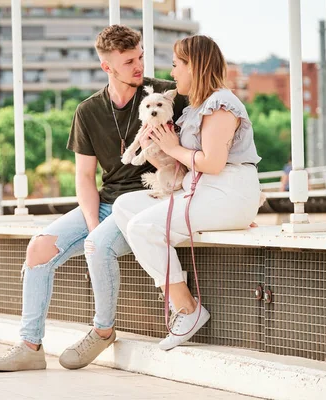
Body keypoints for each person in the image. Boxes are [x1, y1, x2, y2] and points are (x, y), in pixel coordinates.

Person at [0, 25, 188, 371]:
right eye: (128, 61)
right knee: (38, 248)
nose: (139, 66)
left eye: (140, 56)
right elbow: (84, 177)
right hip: (108, 202)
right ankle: (30, 345)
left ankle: (103, 330)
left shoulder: (166, 95)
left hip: (148, 203)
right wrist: (94, 223)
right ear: (106, 67)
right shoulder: (88, 111)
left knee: (99, 246)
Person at [113, 35, 262, 351]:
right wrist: (157, 148)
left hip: (226, 193)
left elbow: (213, 162)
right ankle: (173, 287)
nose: (173, 72)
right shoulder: (195, 108)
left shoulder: (221, 104)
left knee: (143, 228)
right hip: (201, 192)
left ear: (195, 66)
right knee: (125, 206)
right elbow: (183, 163)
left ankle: (187, 309)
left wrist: (174, 147)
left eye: (177, 65)